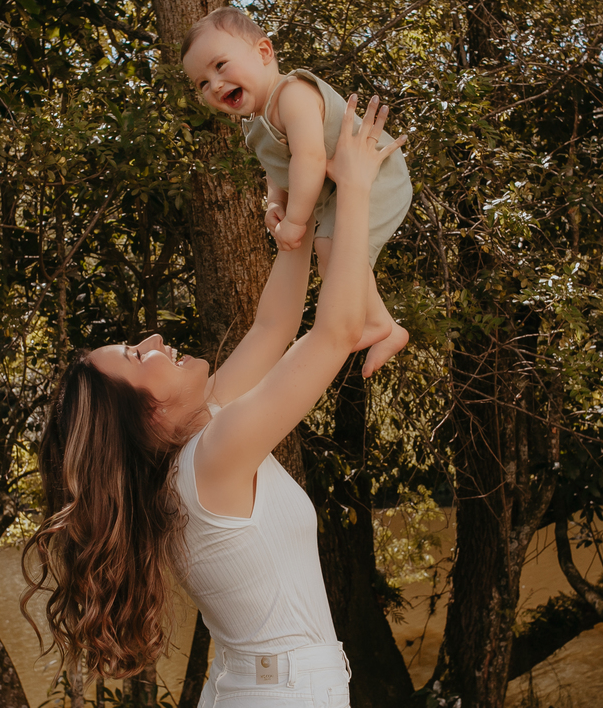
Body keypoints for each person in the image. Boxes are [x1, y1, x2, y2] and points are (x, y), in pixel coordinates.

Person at [22, 96, 406, 707]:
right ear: (146, 415)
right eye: (137, 356)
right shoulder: (214, 456)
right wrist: (356, 187)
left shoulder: (197, 445)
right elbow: (332, 334)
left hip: (255, 689)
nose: (153, 340)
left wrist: (297, 214)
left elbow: (275, 326)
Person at [181, 6, 412, 378]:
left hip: (378, 174)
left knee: (333, 247)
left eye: (220, 66)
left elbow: (308, 156)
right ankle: (383, 322)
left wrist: (295, 220)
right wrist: (277, 200)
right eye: (202, 83)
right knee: (328, 251)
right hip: (344, 187)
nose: (215, 85)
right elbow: (281, 168)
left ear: (263, 53)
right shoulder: (254, 122)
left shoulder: (292, 94)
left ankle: (375, 323)